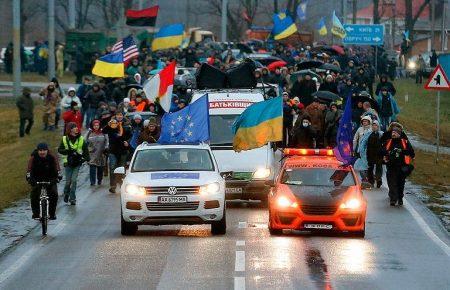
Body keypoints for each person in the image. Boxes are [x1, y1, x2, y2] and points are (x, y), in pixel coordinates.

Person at [26, 143, 61, 220]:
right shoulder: (33, 158)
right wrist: (29, 178)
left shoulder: (52, 157)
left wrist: (58, 176)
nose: (42, 152)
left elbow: (57, 168)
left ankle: (52, 214)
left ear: (47, 150)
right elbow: (29, 169)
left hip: (50, 178)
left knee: (54, 194)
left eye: (44, 150)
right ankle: (36, 214)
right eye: (40, 150)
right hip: (37, 178)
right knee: (34, 195)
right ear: (37, 151)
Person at [58, 122, 90, 205]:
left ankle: (72, 198)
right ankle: (66, 193)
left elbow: (86, 152)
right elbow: (60, 150)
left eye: (76, 127)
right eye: (74, 127)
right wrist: (68, 151)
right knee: (68, 182)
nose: (76, 128)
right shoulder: (64, 139)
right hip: (68, 163)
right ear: (70, 129)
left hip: (77, 163)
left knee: (74, 180)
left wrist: (84, 159)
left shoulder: (81, 139)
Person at [382, 125, 415, 206]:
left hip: (402, 167)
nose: (393, 134)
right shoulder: (388, 142)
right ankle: (393, 199)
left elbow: (411, 152)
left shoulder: (405, 142)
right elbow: (382, 151)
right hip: (391, 166)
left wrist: (401, 151)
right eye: (393, 132)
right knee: (391, 183)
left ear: (399, 134)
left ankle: (400, 198)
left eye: (395, 133)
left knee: (400, 183)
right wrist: (387, 154)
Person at [102, 118, 129, 193]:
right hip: (113, 152)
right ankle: (113, 186)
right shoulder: (110, 130)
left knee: (121, 169)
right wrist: (108, 125)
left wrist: (127, 142)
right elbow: (103, 131)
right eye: (113, 123)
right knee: (112, 167)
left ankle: (122, 185)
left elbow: (128, 136)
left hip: (122, 151)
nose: (114, 125)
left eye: (115, 123)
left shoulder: (124, 128)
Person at [85, 120, 109, 186]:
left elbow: (107, 141)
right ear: (92, 126)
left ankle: (99, 180)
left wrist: (106, 148)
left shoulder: (103, 132)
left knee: (100, 168)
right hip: (92, 153)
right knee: (92, 167)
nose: (96, 127)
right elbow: (85, 142)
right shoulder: (89, 133)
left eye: (97, 125)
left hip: (101, 153)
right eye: (94, 125)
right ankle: (92, 182)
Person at [366, 120, 384, 188]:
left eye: (375, 125)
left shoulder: (381, 134)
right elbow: (366, 144)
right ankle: (371, 181)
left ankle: (378, 180)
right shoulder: (369, 134)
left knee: (379, 168)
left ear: (378, 126)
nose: (374, 126)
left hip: (379, 154)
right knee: (370, 168)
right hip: (370, 154)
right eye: (373, 125)